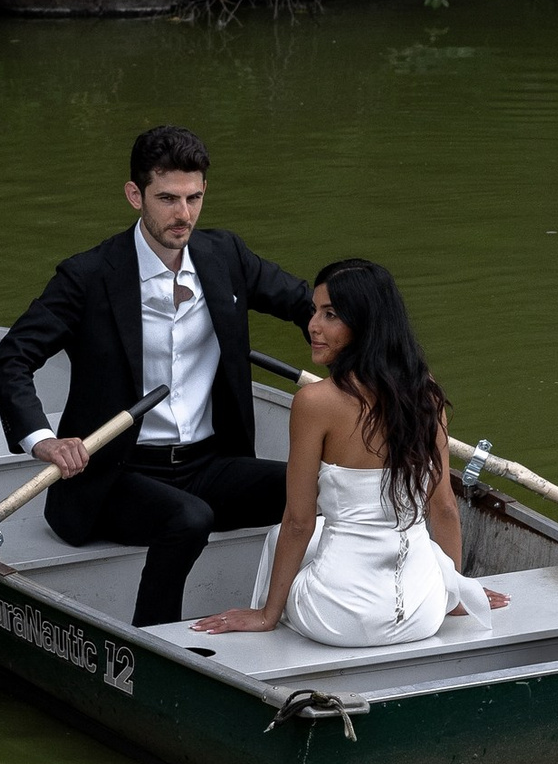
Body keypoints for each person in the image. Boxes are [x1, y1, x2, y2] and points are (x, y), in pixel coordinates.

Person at [0, 125, 316, 626]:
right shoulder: (88, 276)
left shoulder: (225, 256)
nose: (183, 215)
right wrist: (45, 442)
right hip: (115, 474)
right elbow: (12, 359)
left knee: (318, 489)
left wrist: (379, 368)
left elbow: (308, 305)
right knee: (188, 518)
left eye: (194, 198)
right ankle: (153, 640)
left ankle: (300, 611)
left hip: (208, 465)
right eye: (167, 198)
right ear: (134, 195)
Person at [193, 256, 508, 648]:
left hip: (341, 619)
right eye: (314, 311)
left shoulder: (315, 402)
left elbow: (298, 521)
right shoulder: (426, 395)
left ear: (364, 324)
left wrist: (267, 613)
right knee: (411, 543)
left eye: (330, 315)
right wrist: (454, 593)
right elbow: (443, 508)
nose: (312, 326)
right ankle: (442, 587)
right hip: (423, 614)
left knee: (280, 536)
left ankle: (269, 626)